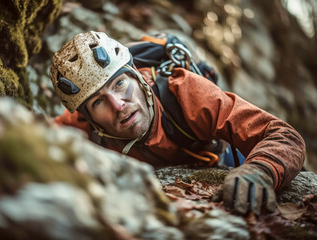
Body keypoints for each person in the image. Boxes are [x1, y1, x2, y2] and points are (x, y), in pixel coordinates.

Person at [49, 31, 306, 215]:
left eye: (120, 84)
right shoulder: (83, 125)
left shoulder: (183, 93)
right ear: (88, 116)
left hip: (217, 159)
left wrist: (260, 171)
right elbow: (34, 134)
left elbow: (282, 135)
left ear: (137, 77)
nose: (118, 105)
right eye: (98, 102)